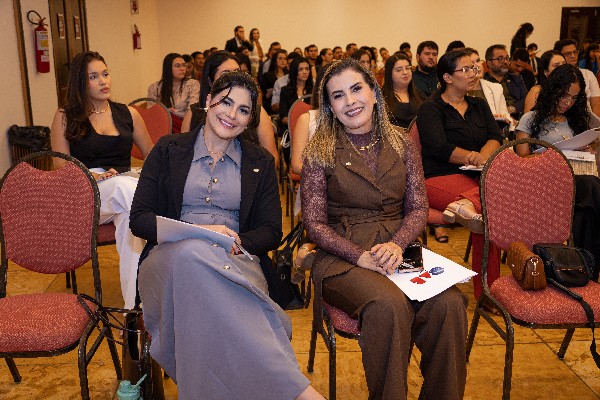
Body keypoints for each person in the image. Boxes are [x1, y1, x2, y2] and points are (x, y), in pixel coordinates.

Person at [130, 71, 324, 400]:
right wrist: (201, 234)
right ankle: (298, 392)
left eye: (243, 110)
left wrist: (236, 241)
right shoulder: (168, 149)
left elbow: (270, 231)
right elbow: (140, 219)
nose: (232, 115)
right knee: (190, 254)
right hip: (168, 261)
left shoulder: (259, 161)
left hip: (234, 259)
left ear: (250, 120)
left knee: (203, 295)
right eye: (226, 102)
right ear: (208, 101)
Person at [301, 58, 469, 400]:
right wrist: (359, 256)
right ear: (329, 106)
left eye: (356, 89)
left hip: (398, 247)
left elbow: (418, 208)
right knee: (388, 305)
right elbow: (314, 224)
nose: (350, 101)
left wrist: (397, 244)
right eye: (338, 95)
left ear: (374, 93)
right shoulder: (319, 150)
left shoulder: (402, 142)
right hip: (342, 254)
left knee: (450, 304)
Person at [50, 51, 153, 309]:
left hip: (125, 190)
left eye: (105, 74)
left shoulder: (129, 113)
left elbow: (152, 157)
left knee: (129, 218)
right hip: (85, 192)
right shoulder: (66, 116)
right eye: (94, 77)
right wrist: (92, 174)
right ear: (81, 83)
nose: (103, 81)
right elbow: (60, 166)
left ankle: (135, 308)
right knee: (125, 189)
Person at [417, 50, 503, 300]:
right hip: (438, 177)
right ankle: (487, 292)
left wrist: (482, 157)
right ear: (447, 77)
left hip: (476, 177)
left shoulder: (478, 105)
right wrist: (470, 157)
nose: (473, 74)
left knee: (491, 204)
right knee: (489, 204)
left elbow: (495, 136)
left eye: (474, 68)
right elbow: (439, 147)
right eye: (465, 69)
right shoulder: (431, 108)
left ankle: (491, 288)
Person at [515, 64, 600, 274]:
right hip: (543, 185)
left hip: (576, 184)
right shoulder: (530, 119)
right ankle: (586, 270)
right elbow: (522, 159)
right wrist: (552, 155)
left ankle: (583, 270)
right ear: (553, 90)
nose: (567, 103)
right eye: (564, 96)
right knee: (591, 188)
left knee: (586, 210)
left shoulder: (577, 120)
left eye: (574, 98)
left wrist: (585, 150)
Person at [181, 51, 279, 169]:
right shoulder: (193, 114)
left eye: (237, 73)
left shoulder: (258, 112)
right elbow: (183, 158)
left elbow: (272, 160)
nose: (234, 79)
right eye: (226, 75)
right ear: (210, 81)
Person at [147, 53, 200, 133]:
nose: (182, 69)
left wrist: (184, 134)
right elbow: (151, 113)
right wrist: (165, 112)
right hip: (163, 128)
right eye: (178, 66)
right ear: (168, 68)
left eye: (184, 65)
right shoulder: (155, 88)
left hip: (186, 126)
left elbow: (192, 110)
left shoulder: (193, 84)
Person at [464, 47, 514, 129]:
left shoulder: (496, 88)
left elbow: (505, 116)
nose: (477, 65)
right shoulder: (459, 90)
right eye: (472, 63)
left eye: (478, 61)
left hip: (494, 132)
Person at [279, 57, 313, 164]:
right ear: (294, 71)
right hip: (292, 131)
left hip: (312, 130)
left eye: (307, 69)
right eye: (301, 69)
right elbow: (283, 116)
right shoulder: (285, 91)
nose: (305, 72)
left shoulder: (315, 90)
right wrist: (298, 124)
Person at [554, 38, 600, 117]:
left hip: (585, 118)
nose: (573, 56)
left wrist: (595, 123)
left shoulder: (588, 74)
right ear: (559, 55)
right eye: (568, 53)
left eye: (575, 52)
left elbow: (596, 104)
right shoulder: (556, 75)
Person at [382, 52, 425, 129]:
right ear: (389, 73)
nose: (405, 72)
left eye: (408, 68)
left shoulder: (420, 96)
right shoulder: (381, 98)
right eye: (399, 70)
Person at [483, 44, 528, 118]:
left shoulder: (516, 78)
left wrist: (512, 109)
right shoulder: (483, 81)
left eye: (507, 58)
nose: (505, 61)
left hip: (517, 117)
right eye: (500, 59)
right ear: (489, 63)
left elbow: (527, 99)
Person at [260, 49, 288, 115]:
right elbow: (263, 94)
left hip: (286, 107)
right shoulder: (267, 75)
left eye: (285, 59)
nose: (283, 61)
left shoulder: (289, 75)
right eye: (280, 58)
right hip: (270, 106)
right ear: (275, 60)